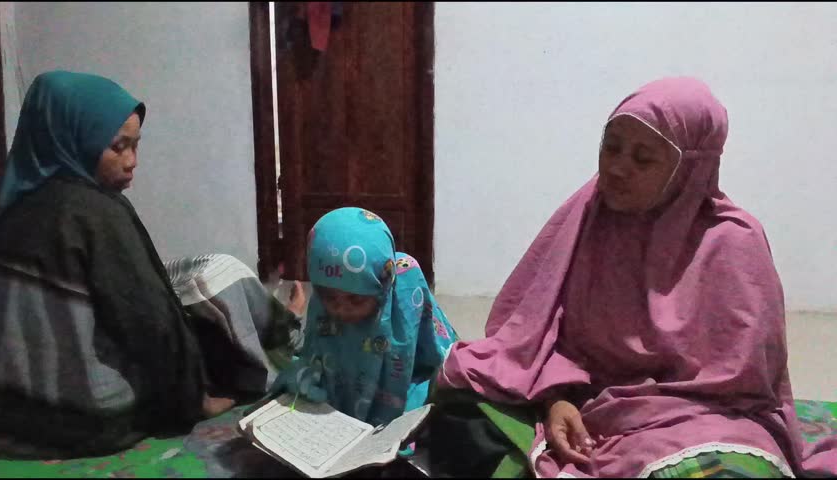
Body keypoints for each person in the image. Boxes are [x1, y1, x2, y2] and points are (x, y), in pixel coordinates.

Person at [423, 77, 837, 477]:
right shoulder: (588, 218)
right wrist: (556, 399)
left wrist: (640, 410)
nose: (618, 168)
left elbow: (743, 384)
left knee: (724, 468)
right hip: (586, 400)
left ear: (690, 168)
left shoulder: (732, 241)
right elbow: (532, 335)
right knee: (459, 408)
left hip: (700, 416)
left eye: (643, 159)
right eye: (612, 146)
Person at [0, 71, 300, 458]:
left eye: (136, 146)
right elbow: (150, 323)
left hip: (10, 415)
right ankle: (288, 329)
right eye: (118, 147)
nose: (132, 162)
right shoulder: (95, 212)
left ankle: (284, 320)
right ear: (75, 138)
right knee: (213, 308)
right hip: (91, 417)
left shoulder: (8, 208)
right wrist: (193, 402)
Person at [272, 207, 458, 427]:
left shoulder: (406, 290)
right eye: (328, 297)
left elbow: (441, 356)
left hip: (402, 393)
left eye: (356, 300)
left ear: (384, 287)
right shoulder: (323, 300)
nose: (340, 310)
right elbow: (314, 352)